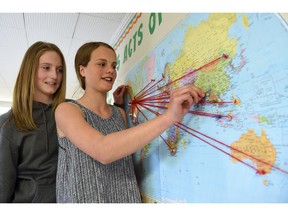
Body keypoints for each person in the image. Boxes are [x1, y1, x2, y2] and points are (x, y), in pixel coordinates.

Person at [55, 41, 205, 203]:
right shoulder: (67, 110)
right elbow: (103, 151)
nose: (110, 70)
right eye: (101, 64)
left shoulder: (120, 113)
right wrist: (169, 117)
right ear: (82, 70)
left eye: (113, 65)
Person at [0, 41, 67, 202]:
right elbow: (3, 185)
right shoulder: (8, 123)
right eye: (46, 68)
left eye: (59, 70)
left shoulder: (71, 111)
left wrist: (120, 106)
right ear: (30, 70)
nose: (54, 76)